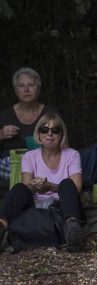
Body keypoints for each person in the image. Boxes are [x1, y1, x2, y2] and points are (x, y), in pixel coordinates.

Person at [0, 114, 83, 251]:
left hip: (63, 206)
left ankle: (72, 229)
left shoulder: (72, 154)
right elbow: (27, 188)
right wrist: (37, 186)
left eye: (55, 130)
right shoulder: (29, 156)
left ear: (61, 135)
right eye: (44, 130)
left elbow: (77, 188)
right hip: (37, 204)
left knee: (67, 183)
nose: (49, 134)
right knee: (19, 188)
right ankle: (2, 225)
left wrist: (51, 186)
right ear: (38, 134)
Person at [0, 67, 58, 187]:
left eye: (31, 85)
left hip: (42, 161)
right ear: (16, 91)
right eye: (21, 86)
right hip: (10, 165)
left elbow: (63, 144)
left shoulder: (50, 114)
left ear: (38, 89)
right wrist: (1, 134)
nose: (26, 89)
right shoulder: (5, 115)